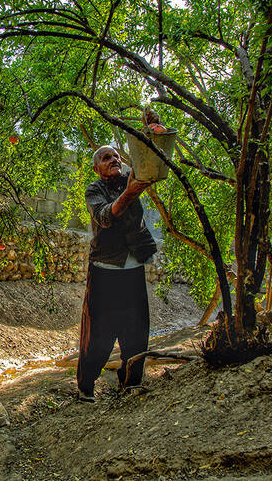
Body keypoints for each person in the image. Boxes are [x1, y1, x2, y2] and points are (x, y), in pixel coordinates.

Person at [77, 145, 157, 402]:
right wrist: (130, 194)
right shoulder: (94, 190)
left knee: (137, 333)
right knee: (98, 336)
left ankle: (131, 385)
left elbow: (152, 163)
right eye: (105, 157)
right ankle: (86, 388)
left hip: (133, 273)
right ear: (96, 168)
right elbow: (104, 217)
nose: (113, 159)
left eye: (115, 156)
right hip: (105, 273)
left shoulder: (131, 178)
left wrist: (150, 130)